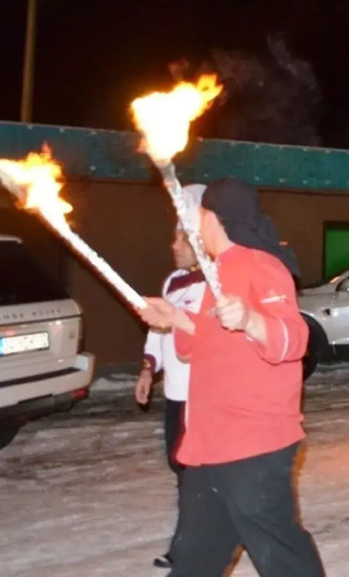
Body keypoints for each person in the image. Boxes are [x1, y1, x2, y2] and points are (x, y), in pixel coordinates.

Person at [136, 178, 325, 577]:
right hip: (209, 445)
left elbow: (295, 338)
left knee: (280, 555)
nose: (193, 224)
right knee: (194, 559)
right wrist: (175, 320)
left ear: (216, 219)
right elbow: (199, 346)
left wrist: (252, 320)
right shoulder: (215, 273)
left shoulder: (261, 264)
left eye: (199, 214)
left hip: (253, 445)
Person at [135, 185, 208, 570]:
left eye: (182, 237)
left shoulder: (214, 283)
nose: (173, 243)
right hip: (176, 396)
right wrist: (149, 368)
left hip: (204, 397)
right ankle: (191, 541)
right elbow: (158, 330)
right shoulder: (173, 282)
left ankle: (192, 547)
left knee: (197, 473)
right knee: (180, 467)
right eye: (175, 235)